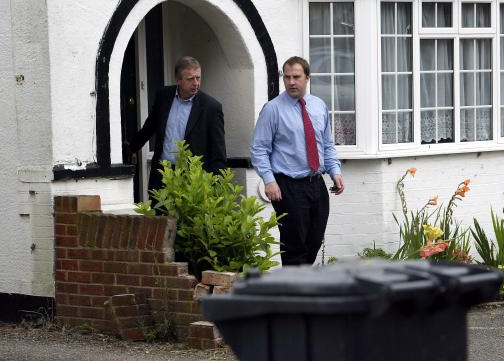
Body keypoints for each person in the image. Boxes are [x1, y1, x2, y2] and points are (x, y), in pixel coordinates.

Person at [250, 56, 344, 266]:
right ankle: (294, 291)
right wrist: (268, 180)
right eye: (287, 77)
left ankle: (301, 282)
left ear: (307, 78)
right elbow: (258, 149)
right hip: (287, 186)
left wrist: (335, 172)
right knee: (294, 244)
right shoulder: (273, 109)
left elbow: (326, 145)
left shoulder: (318, 106)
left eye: (296, 77)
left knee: (314, 239)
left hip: (316, 184)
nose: (291, 82)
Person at [129, 56, 226, 197]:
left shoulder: (211, 107)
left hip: (192, 179)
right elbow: (150, 127)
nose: (196, 83)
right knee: (159, 218)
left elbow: (218, 150)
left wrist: (215, 187)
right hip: (162, 174)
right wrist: (130, 148)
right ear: (178, 80)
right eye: (190, 79)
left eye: (198, 78)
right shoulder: (163, 96)